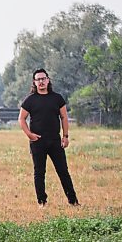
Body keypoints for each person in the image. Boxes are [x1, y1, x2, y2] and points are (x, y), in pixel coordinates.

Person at [18, 68, 79, 208]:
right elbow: (21, 119)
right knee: (39, 172)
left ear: (48, 79)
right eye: (38, 79)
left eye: (43, 78)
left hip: (55, 141)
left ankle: (73, 201)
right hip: (37, 141)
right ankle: (42, 202)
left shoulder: (57, 98)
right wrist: (29, 134)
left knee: (63, 171)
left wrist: (65, 136)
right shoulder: (30, 100)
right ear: (34, 82)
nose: (41, 82)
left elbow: (64, 117)